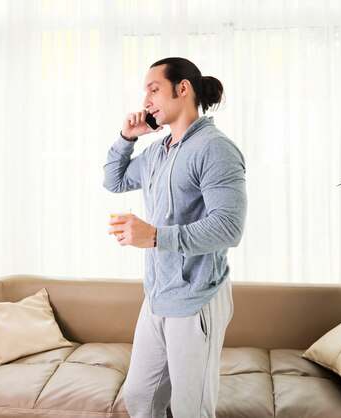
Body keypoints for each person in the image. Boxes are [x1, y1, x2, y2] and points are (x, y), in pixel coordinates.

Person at [103, 57, 247, 418]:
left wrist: (155, 237)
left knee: (190, 410)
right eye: (145, 92)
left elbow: (229, 227)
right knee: (140, 396)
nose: (146, 100)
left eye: (154, 89)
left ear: (182, 89)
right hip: (156, 295)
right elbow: (114, 180)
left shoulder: (215, 148)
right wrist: (127, 138)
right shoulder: (157, 151)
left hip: (197, 297)